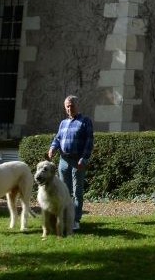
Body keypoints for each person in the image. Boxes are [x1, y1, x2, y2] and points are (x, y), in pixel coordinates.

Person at [47, 94, 93, 231]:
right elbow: (57, 139)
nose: (69, 109)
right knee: (63, 191)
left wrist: (84, 158)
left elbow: (89, 142)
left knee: (77, 192)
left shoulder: (85, 121)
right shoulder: (63, 123)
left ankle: (76, 220)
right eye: (67, 106)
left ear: (77, 106)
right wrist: (52, 148)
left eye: (71, 106)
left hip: (77, 161)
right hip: (63, 161)